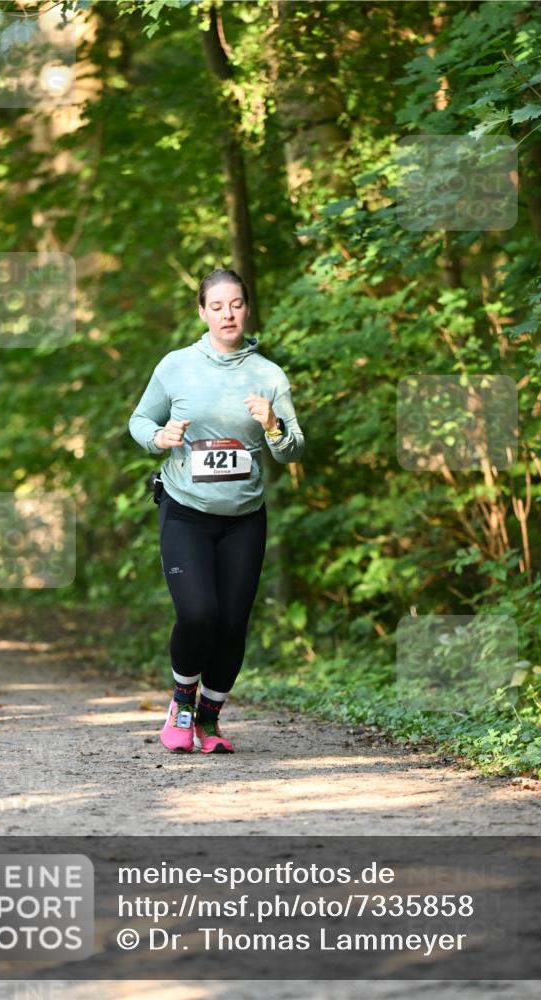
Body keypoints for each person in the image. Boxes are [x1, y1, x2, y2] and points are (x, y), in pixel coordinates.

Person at [129, 268, 304, 754]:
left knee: (232, 622)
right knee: (200, 612)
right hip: (186, 509)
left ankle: (209, 719)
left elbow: (292, 450)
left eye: (237, 305)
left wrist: (272, 424)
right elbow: (140, 419)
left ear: (247, 308)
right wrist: (157, 437)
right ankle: (182, 701)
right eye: (218, 306)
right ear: (202, 312)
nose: (228, 314)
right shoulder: (176, 366)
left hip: (245, 516)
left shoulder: (268, 375)